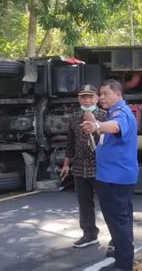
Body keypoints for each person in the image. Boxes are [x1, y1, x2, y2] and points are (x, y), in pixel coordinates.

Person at [81, 79, 138, 271]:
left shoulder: (121, 113)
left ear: (118, 94)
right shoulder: (112, 113)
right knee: (122, 221)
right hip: (114, 176)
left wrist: (97, 127)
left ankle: (123, 265)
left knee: (118, 223)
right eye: (101, 94)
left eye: (105, 93)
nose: (102, 97)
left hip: (115, 178)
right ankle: (123, 258)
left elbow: (115, 127)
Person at [60, 84, 108, 249]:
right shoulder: (74, 117)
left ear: (97, 98)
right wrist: (66, 164)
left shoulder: (104, 115)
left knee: (108, 202)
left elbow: (111, 141)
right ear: (79, 99)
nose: (87, 100)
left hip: (100, 167)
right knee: (84, 203)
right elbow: (70, 143)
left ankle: (116, 237)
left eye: (90, 97)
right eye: (83, 97)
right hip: (80, 167)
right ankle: (89, 234)